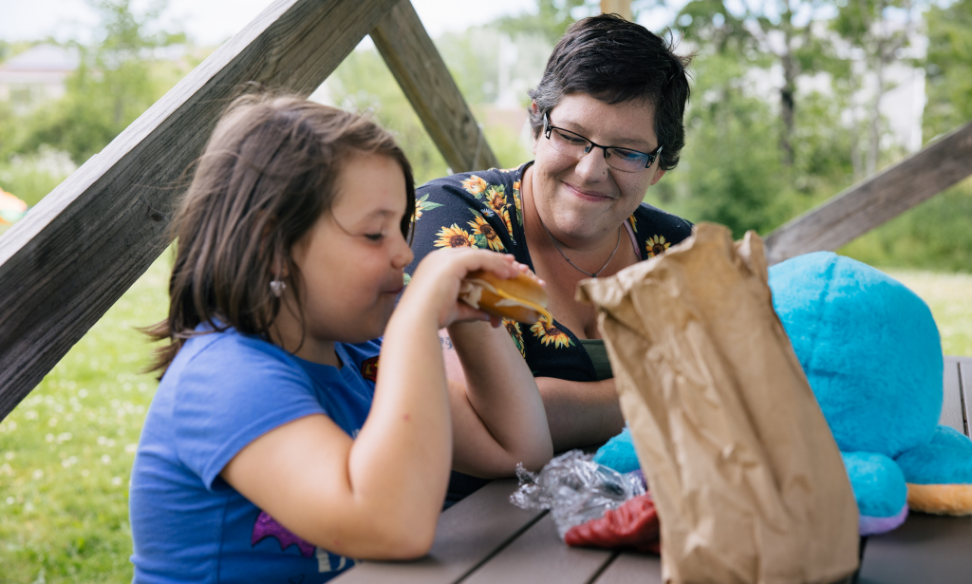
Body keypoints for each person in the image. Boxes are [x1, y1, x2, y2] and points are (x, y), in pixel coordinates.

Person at [128, 93, 552, 583]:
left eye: (402, 228)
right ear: (275, 246)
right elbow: (394, 527)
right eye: (375, 235)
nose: (402, 253)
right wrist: (417, 317)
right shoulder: (224, 376)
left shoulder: (361, 356)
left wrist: (464, 312)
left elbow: (518, 450)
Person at [407, 14, 694, 499]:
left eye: (626, 151)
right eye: (572, 136)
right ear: (538, 121)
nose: (589, 170)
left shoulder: (676, 251)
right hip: (468, 538)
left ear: (659, 166)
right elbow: (491, 417)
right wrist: (668, 392)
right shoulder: (456, 219)